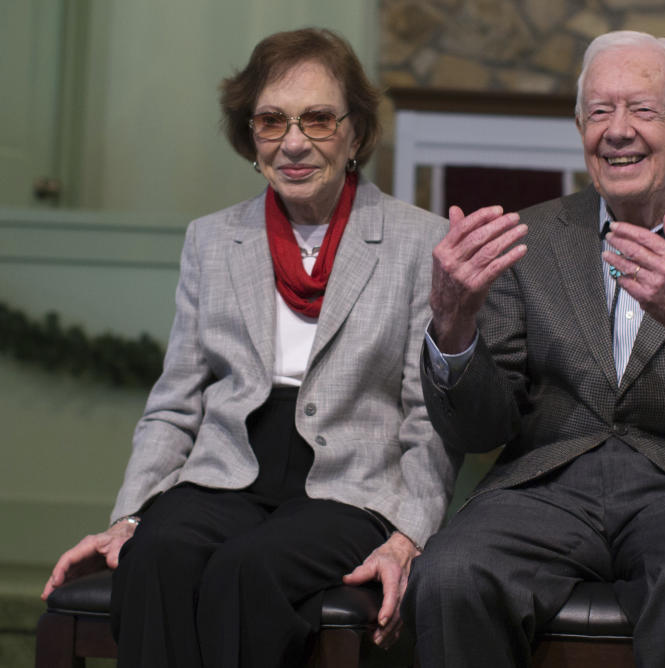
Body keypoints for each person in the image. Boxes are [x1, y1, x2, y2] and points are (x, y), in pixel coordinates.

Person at [41, 27, 455, 667]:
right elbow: (175, 401)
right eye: (271, 121)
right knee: (157, 555)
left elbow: (429, 416)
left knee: (248, 569)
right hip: (227, 469)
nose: (294, 142)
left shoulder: (418, 242)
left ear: (355, 133)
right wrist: (129, 516)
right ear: (250, 136)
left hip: (351, 485)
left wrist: (409, 534)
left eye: (317, 119)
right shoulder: (212, 240)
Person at [405, 30, 665, 667]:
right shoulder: (530, 240)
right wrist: (454, 329)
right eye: (599, 111)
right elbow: (483, 427)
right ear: (579, 128)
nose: (617, 130)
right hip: (548, 487)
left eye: (643, 110)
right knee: (452, 570)